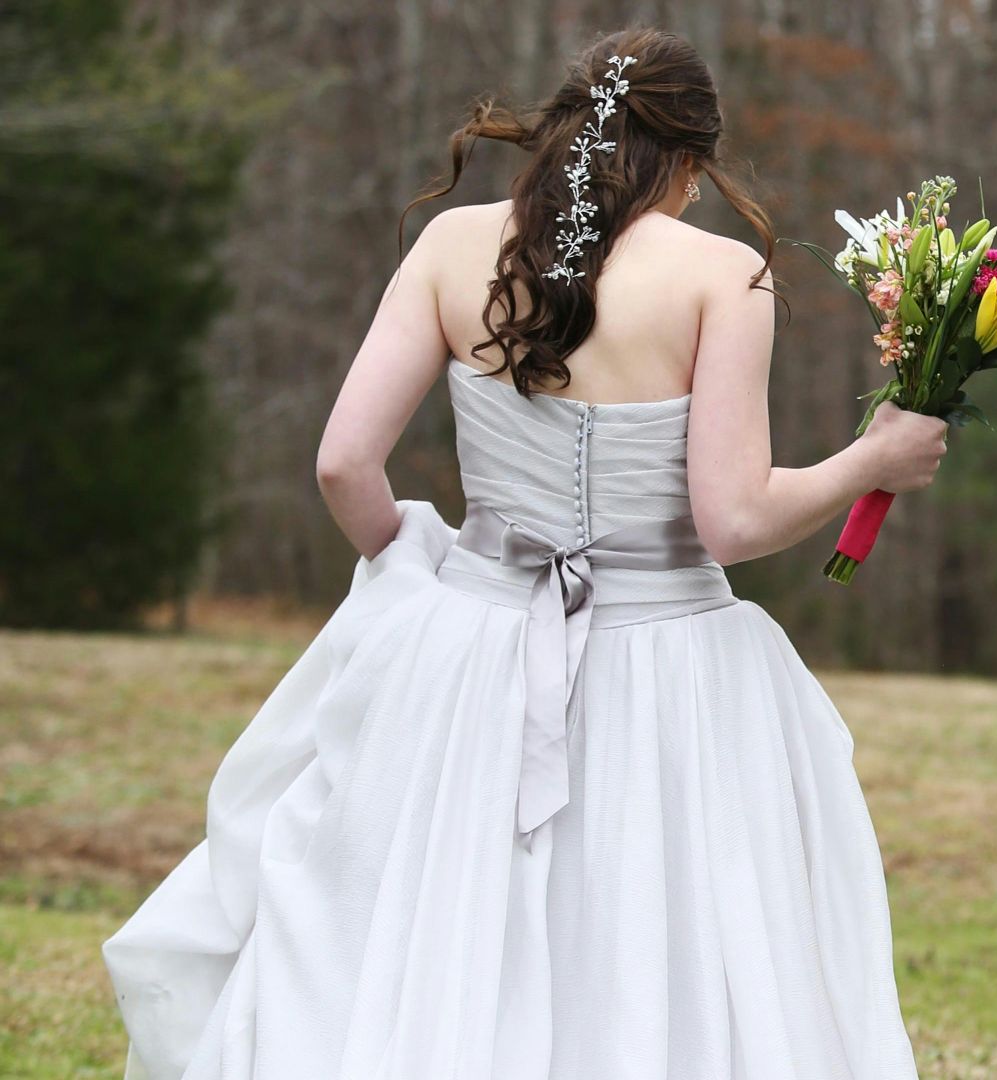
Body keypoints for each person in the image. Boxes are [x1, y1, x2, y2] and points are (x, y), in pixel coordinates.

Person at [100, 24, 943, 1079]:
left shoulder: (453, 246)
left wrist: (417, 569)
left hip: (470, 644)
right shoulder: (724, 277)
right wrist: (873, 458)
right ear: (687, 160)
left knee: (445, 919)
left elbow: (344, 465)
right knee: (648, 942)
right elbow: (731, 522)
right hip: (667, 663)